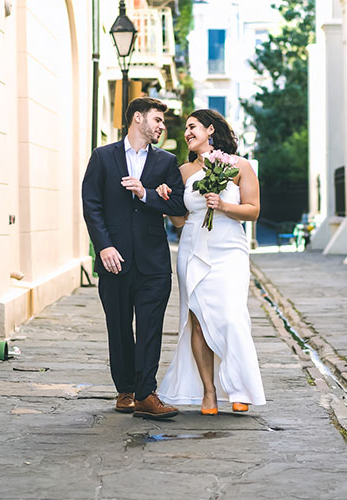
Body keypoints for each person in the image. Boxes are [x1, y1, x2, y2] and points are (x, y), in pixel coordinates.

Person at [82, 97, 186, 419]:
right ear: (138, 118)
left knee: (151, 327)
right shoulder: (102, 157)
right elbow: (91, 204)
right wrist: (104, 246)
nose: (161, 127)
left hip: (154, 263)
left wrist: (147, 194)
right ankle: (125, 390)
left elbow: (180, 207)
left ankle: (146, 393)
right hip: (114, 260)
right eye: (157, 120)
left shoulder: (167, 162)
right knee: (119, 327)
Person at [157, 109, 266, 414]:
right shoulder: (182, 172)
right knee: (198, 323)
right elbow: (180, 221)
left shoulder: (239, 166)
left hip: (229, 250)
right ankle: (208, 392)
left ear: (210, 130)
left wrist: (224, 205)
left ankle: (240, 388)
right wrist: (167, 202)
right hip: (192, 250)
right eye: (186, 129)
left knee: (231, 316)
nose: (187, 133)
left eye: (192, 127)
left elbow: (253, 210)